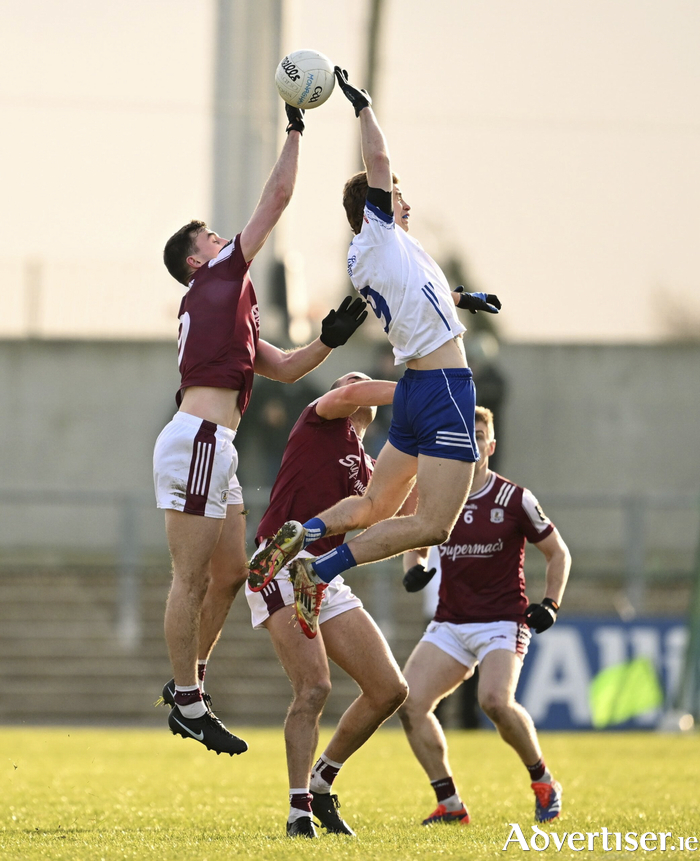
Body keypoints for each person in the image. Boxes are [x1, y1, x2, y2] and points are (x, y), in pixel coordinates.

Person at [248, 67, 502, 638]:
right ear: (377, 207)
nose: (405, 206)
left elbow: (421, 294)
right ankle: (322, 565)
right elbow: (379, 167)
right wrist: (363, 109)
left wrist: (463, 297)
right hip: (442, 389)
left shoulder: (369, 256)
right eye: (397, 200)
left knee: (372, 506)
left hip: (415, 390)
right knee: (434, 526)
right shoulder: (383, 234)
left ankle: (306, 531)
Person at [153, 104, 367, 755]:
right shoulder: (217, 278)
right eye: (211, 237)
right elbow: (277, 197)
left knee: (227, 575)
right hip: (196, 442)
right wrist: (297, 127)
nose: (223, 240)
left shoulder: (228, 306)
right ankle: (187, 700)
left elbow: (287, 366)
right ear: (197, 262)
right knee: (189, 580)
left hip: (217, 449)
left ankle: (190, 686)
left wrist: (329, 340)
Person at [246, 372, 408, 838]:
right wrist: (425, 387)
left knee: (390, 689)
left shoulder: (373, 467)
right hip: (281, 563)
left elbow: (406, 510)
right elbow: (355, 392)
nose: (356, 383)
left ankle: (323, 780)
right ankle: (298, 812)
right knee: (314, 687)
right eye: (348, 380)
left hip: (323, 573)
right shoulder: (320, 420)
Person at [398, 406, 571, 824]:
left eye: (478, 434)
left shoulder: (515, 498)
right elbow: (415, 543)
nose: (470, 440)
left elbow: (558, 553)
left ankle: (544, 780)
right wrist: (414, 571)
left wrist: (550, 604)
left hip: (502, 621)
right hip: (451, 623)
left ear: (491, 445)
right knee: (409, 702)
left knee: (494, 700)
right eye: (464, 433)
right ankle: (450, 804)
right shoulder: (437, 497)